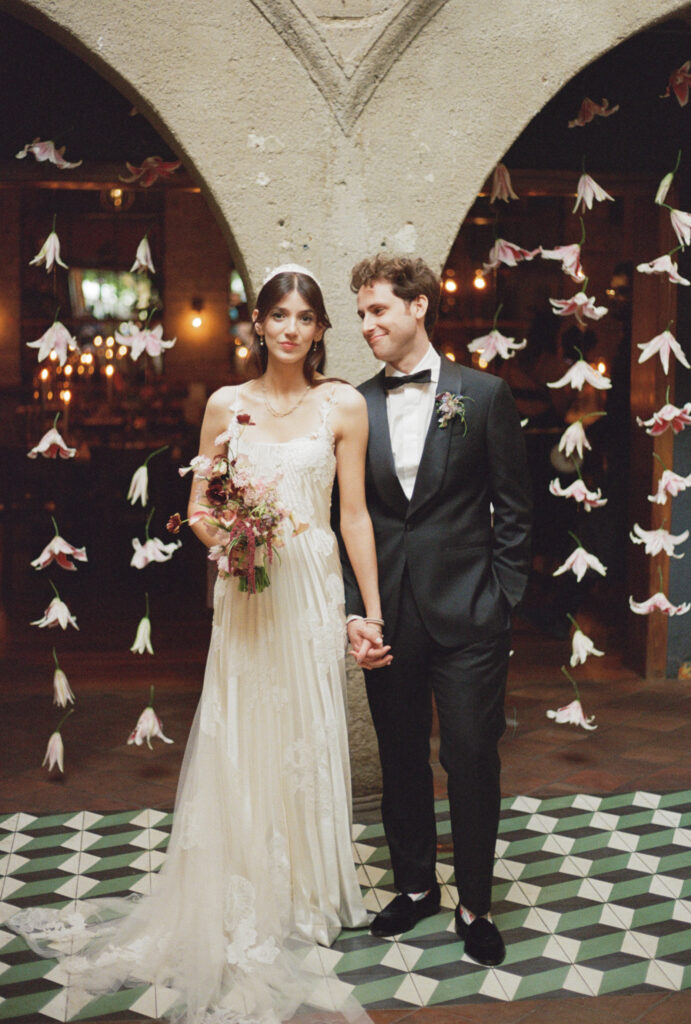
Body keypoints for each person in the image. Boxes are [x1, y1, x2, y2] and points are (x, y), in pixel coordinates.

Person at [10, 265, 386, 1024]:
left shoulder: (342, 404)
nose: (289, 328)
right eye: (276, 315)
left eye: (304, 317)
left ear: (319, 329)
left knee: (308, 728)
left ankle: (309, 890)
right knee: (245, 729)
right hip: (248, 590)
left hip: (311, 586)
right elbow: (198, 507)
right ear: (257, 324)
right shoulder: (225, 404)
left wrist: (368, 611)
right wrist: (232, 541)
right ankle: (243, 877)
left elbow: (353, 516)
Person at [342, 254, 532, 968]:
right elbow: (342, 517)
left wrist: (503, 598)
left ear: (418, 306)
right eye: (360, 313)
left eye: (377, 311)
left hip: (470, 615)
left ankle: (474, 902)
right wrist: (352, 611)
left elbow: (515, 509)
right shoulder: (351, 403)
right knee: (399, 757)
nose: (365, 325)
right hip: (386, 612)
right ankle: (416, 886)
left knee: (472, 756)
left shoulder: (482, 397)